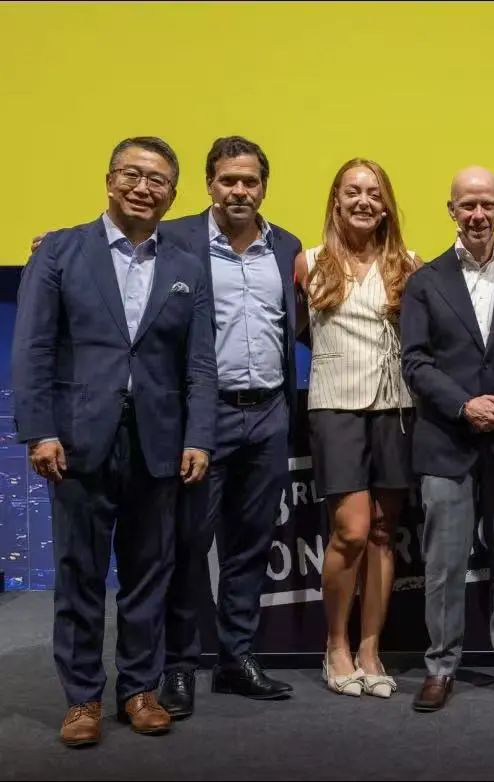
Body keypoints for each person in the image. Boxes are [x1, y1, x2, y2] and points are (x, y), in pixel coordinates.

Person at [12, 137, 217, 745]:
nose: (143, 188)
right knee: (79, 572)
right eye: (132, 174)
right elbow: (33, 348)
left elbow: (199, 364)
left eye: (158, 181)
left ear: (172, 195)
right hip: (77, 441)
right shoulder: (59, 251)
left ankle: (139, 689)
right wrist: (40, 431)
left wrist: (199, 436)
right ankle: (82, 699)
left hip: (160, 441)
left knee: (149, 573)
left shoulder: (187, 266)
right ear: (109, 180)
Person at [158, 136, 301, 716]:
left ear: (263, 187)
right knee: (188, 543)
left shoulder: (286, 246)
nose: (239, 190)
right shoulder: (175, 238)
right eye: (228, 180)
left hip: (268, 412)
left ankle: (236, 659)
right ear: (210, 184)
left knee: (251, 544)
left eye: (249, 181)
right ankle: (178, 663)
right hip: (202, 417)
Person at [402, 166, 494, 712]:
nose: (478, 214)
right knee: (443, 566)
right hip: (446, 439)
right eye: (467, 205)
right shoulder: (425, 282)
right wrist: (465, 406)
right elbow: (415, 362)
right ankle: (441, 666)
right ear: (452, 211)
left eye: (487, 204)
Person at [294, 158, 419, 699]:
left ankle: (370, 650)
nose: (364, 201)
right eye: (353, 192)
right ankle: (336, 646)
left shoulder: (409, 265)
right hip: (335, 407)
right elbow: (297, 331)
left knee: (383, 533)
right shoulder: (309, 263)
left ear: (386, 205)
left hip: (395, 408)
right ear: (336, 200)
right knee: (350, 530)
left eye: (374, 193)